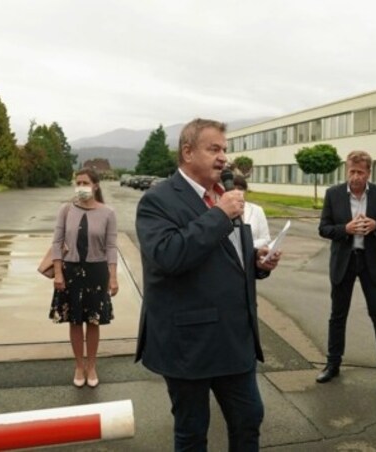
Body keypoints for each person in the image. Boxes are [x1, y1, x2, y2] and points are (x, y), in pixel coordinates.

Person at [135, 118, 281, 451]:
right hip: (190, 343)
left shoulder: (225, 196)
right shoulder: (157, 201)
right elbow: (168, 256)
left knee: (249, 418)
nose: (223, 158)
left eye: (225, 150)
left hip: (234, 339)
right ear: (187, 152)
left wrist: (257, 261)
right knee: (192, 432)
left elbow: (228, 257)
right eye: (213, 149)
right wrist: (219, 214)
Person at [316, 150, 376, 395]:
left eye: (360, 173)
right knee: (337, 316)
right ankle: (333, 364)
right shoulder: (333, 194)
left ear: (368, 173)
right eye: (351, 172)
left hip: (371, 262)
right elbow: (323, 228)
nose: (355, 177)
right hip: (344, 262)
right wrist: (346, 228)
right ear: (347, 170)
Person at [49, 168, 119, 389]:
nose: (80, 187)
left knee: (94, 320)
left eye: (85, 182)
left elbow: (111, 247)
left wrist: (113, 277)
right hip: (71, 272)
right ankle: (79, 365)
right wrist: (58, 272)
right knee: (75, 320)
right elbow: (56, 242)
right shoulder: (66, 210)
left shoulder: (108, 213)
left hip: (97, 272)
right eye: (77, 182)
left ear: (95, 185)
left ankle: (92, 365)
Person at [233, 174, 271, 249]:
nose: (236, 192)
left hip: (253, 257)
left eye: (240, 188)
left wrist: (249, 246)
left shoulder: (257, 210)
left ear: (245, 191)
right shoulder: (222, 211)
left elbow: (266, 239)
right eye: (232, 188)